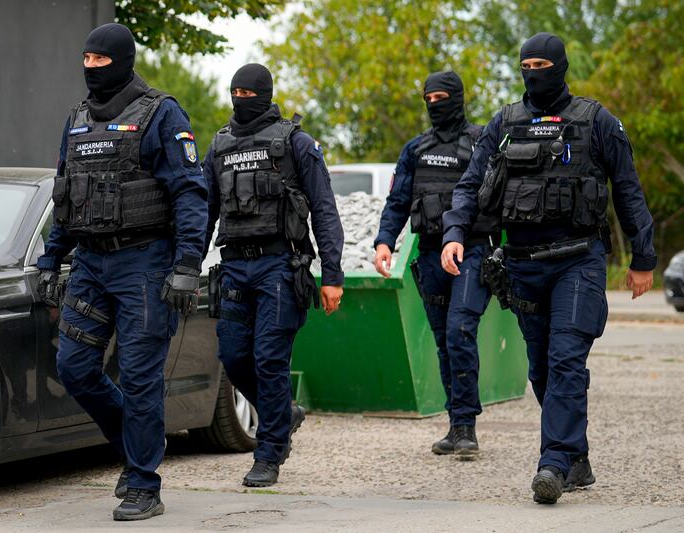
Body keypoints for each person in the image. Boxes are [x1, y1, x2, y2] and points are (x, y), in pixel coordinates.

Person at [441, 32, 656, 504]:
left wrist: (643, 258)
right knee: (541, 367)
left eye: (541, 63)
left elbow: (628, 189)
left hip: (578, 259)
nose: (533, 71)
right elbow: (470, 184)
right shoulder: (505, 122)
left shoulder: (596, 121)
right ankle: (576, 457)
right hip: (521, 264)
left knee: (565, 359)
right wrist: (455, 233)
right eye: (526, 64)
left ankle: (553, 463)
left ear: (559, 65)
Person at [36, 23, 208, 521]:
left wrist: (187, 267)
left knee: (139, 377)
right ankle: (134, 447)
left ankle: (143, 482)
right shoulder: (76, 119)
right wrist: (51, 258)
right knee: (75, 367)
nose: (90, 69)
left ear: (122, 60)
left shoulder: (161, 114)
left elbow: (190, 195)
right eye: (85, 61)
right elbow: (67, 196)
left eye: (99, 61)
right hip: (89, 263)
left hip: (144, 264)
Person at [202, 63, 344, 487]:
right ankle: (284, 411)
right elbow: (204, 212)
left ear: (264, 94)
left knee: (269, 359)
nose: (241, 99)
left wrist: (332, 274)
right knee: (232, 356)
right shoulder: (220, 146)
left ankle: (268, 453)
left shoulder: (295, 142)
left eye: (249, 93)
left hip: (280, 266)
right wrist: (186, 264)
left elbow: (324, 209)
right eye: (235, 92)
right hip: (233, 266)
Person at [373, 71, 500, 460]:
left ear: (458, 98)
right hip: (429, 254)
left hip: (472, 250)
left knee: (461, 329)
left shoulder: (481, 143)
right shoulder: (416, 149)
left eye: (442, 97)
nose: (434, 104)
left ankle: (467, 427)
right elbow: (397, 201)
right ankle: (457, 424)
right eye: (429, 98)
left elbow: (499, 195)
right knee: (446, 340)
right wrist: (384, 242)